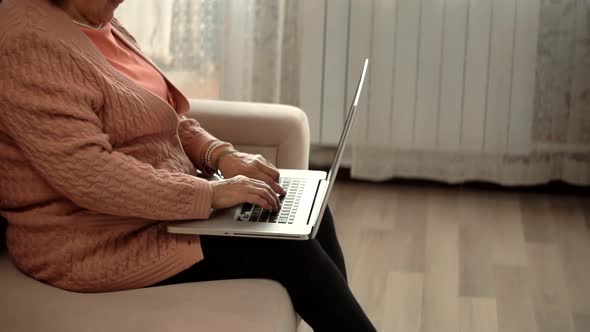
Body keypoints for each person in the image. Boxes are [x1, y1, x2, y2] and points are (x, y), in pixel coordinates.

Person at [0, 0, 376, 330]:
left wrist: (222, 155)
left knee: (310, 211)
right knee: (291, 249)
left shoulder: (95, 18)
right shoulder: (27, 42)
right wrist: (211, 194)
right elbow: (88, 172)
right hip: (93, 238)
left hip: (158, 211)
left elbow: (159, 114)